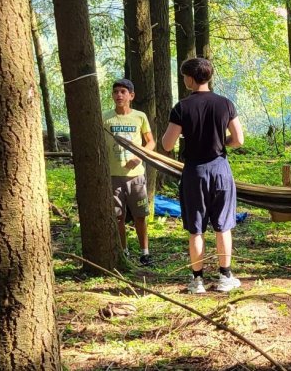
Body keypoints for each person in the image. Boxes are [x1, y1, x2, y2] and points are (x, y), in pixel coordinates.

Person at [162, 58, 245, 294]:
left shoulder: (181, 107)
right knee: (223, 226)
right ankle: (225, 277)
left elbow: (167, 144)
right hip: (220, 169)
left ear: (190, 79)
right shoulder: (225, 104)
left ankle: (197, 281)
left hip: (194, 172)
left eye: (184, 76)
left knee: (196, 229)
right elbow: (239, 140)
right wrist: (221, 141)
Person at [103, 79, 156, 266]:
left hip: (136, 176)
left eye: (123, 92)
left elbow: (151, 142)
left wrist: (139, 157)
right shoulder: (105, 118)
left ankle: (145, 253)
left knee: (140, 215)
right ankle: (123, 251)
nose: (119, 95)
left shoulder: (140, 116)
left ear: (131, 96)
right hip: (113, 175)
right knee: (118, 216)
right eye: (116, 92)